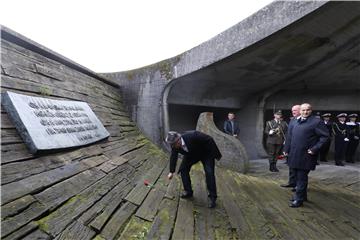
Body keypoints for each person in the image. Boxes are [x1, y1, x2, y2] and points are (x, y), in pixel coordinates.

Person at [284, 103, 329, 208]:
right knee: (296, 176)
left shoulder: (317, 122)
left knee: (301, 177)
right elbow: (289, 137)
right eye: (303, 110)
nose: (305, 112)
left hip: (307, 154)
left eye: (307, 110)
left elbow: (325, 137)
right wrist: (286, 149)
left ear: (311, 110)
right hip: (294, 153)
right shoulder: (294, 120)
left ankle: (298, 199)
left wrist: (315, 149)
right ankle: (302, 196)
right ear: (300, 111)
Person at [166, 130, 222, 208]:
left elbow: (209, 139)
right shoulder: (175, 146)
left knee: (209, 173)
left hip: (206, 154)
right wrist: (171, 171)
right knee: (183, 170)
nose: (172, 147)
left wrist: (216, 155)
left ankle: (212, 198)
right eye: (170, 145)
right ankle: (188, 191)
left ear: (178, 141)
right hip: (191, 155)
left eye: (172, 144)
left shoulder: (193, 135)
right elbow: (173, 156)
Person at [281, 104, 300, 190]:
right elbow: (288, 136)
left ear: (300, 110)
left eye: (295, 110)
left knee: (298, 168)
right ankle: (292, 183)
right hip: (291, 148)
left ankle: (298, 185)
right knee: (291, 166)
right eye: (292, 111)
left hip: (300, 149)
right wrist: (286, 149)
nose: (293, 112)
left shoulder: (305, 120)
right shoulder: (292, 121)